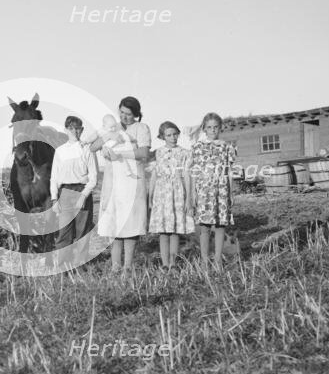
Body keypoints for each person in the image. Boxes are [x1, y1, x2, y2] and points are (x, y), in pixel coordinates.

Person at [90, 96, 151, 274]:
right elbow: (93, 147)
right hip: (113, 181)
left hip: (132, 181)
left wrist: (121, 155)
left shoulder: (141, 128)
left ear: (136, 115)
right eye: (122, 112)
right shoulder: (112, 127)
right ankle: (115, 266)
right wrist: (106, 139)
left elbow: (144, 152)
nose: (124, 117)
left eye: (129, 114)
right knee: (113, 223)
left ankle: (128, 267)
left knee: (130, 223)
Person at [50, 116, 98, 268]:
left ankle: (80, 266)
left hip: (82, 191)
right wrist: (54, 199)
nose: (75, 131)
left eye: (78, 128)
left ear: (82, 130)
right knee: (64, 231)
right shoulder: (60, 151)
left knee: (82, 232)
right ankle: (63, 266)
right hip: (65, 192)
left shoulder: (87, 150)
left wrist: (84, 195)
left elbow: (93, 177)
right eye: (71, 128)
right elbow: (54, 178)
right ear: (66, 130)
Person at [189, 112, 236, 267]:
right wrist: (193, 193)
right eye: (209, 127)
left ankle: (217, 259)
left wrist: (231, 192)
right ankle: (204, 260)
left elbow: (229, 171)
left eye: (216, 127)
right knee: (204, 226)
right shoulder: (197, 147)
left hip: (221, 189)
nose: (213, 130)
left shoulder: (226, 147)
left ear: (220, 128)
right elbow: (194, 173)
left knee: (221, 224)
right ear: (204, 128)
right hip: (204, 190)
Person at [148, 121, 195, 268]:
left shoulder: (185, 153)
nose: (173, 137)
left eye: (175, 134)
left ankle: (173, 264)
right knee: (163, 231)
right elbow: (154, 175)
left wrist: (189, 199)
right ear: (163, 136)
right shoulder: (158, 153)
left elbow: (187, 176)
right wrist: (150, 197)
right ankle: (164, 264)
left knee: (174, 230)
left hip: (178, 192)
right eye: (169, 135)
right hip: (161, 194)